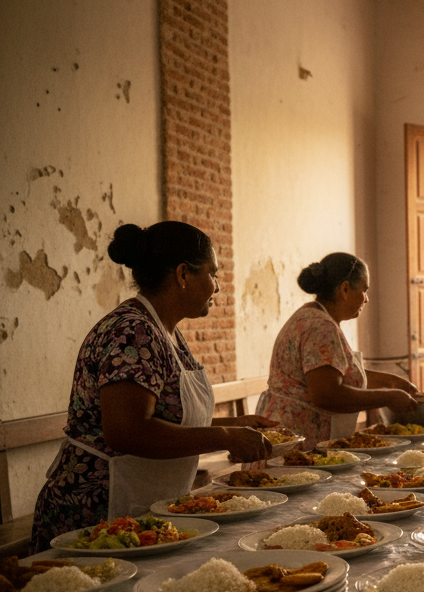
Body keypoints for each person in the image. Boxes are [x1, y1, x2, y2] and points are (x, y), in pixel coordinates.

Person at [30, 221, 275, 551]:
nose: (217, 287)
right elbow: (127, 431)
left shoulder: (164, 331)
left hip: (141, 504)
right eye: (213, 274)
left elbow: (170, 420)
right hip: (98, 510)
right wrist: (225, 437)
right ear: (183, 274)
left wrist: (236, 425)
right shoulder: (132, 332)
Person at [256, 253, 417, 448]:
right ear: (345, 289)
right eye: (364, 290)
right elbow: (327, 394)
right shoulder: (321, 326)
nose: (366, 299)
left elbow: (335, 373)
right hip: (297, 444)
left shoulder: (312, 317)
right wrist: (388, 397)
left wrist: (390, 381)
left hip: (291, 434)